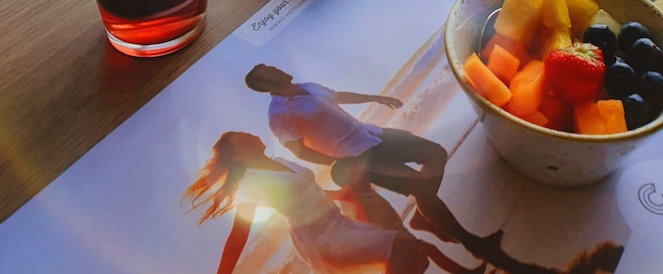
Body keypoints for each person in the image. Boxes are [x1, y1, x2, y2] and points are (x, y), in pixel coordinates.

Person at [244, 64, 573, 274]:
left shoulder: (307, 86)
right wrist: (337, 160)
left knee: (434, 153)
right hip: (355, 155)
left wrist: (375, 97)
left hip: (372, 134)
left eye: (272, 65)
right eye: (269, 70)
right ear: (264, 84)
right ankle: (473, 243)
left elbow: (337, 96)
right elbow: (298, 150)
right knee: (418, 185)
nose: (277, 68)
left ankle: (423, 216)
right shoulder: (279, 114)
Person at [184, 132, 485, 274]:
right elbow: (239, 233)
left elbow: (308, 192)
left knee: (412, 249)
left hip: (337, 223)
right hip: (321, 238)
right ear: (236, 156)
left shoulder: (280, 162)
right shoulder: (252, 183)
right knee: (404, 250)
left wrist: (338, 194)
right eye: (242, 138)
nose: (250, 135)